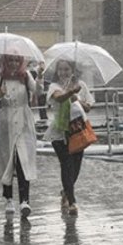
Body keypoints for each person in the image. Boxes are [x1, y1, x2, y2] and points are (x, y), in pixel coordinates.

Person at [0, 52, 40, 217]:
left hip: (23, 121)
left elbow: (37, 91)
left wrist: (40, 78)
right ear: (5, 61)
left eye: (17, 60)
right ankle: (8, 198)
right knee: (7, 159)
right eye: (11, 60)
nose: (14, 63)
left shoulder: (26, 75)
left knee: (23, 160)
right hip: (5, 123)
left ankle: (25, 200)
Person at [44, 59, 94, 215]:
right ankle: (72, 202)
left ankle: (66, 191)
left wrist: (77, 97)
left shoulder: (81, 85)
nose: (63, 72)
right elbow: (59, 98)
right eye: (60, 70)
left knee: (76, 166)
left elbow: (88, 107)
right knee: (66, 165)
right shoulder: (54, 86)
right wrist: (71, 92)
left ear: (72, 70)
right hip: (60, 132)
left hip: (77, 130)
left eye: (66, 69)